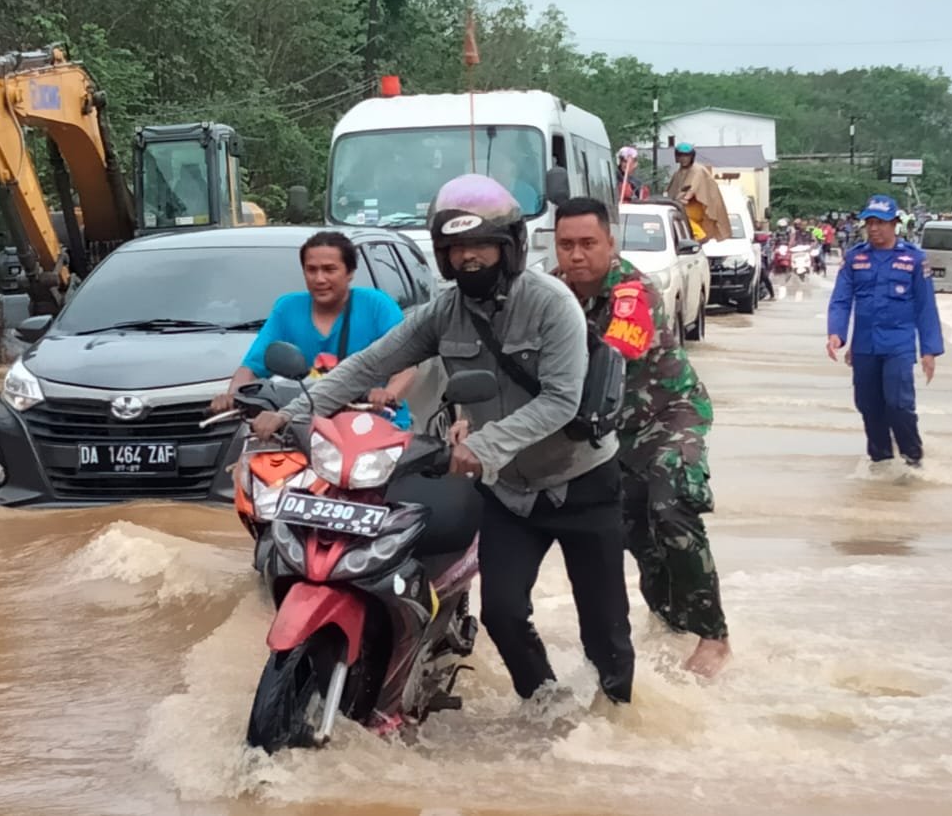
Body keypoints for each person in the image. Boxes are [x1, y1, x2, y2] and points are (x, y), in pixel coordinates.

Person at [251, 175, 635, 704]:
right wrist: (292, 413)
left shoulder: (552, 304)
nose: (468, 258)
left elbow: (560, 399)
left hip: (581, 480)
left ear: (510, 247)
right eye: (456, 249)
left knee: (605, 625)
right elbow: (369, 364)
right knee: (503, 613)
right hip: (508, 491)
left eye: (481, 245)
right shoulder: (443, 312)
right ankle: (547, 707)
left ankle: (615, 720)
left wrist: (480, 447)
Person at [552, 197, 733, 677]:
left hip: (669, 414)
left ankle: (714, 636)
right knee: (637, 537)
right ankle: (671, 625)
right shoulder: (551, 292)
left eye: (588, 243)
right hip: (609, 433)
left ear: (610, 244)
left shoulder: (632, 291)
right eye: (566, 245)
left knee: (670, 504)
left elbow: (616, 351)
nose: (576, 255)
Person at [211, 231, 415, 427]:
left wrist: (388, 394)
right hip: (303, 426)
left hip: (373, 424)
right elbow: (251, 368)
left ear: (350, 273)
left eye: (329, 270)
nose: (319, 279)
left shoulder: (376, 305)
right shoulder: (288, 308)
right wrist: (232, 396)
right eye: (311, 270)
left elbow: (406, 365)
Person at [827, 195, 944, 468]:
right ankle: (880, 462)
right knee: (868, 405)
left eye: (880, 222)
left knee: (898, 404)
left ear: (894, 224)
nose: (874, 228)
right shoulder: (855, 258)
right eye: (869, 223)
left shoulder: (914, 259)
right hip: (864, 346)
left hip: (898, 345)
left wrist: (929, 351)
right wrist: (836, 334)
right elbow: (841, 299)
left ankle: (913, 459)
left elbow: (926, 308)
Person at [665, 143, 731, 243]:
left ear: (692, 157)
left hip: (697, 207)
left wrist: (685, 198)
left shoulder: (697, 170)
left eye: (687, 156)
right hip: (684, 206)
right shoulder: (678, 173)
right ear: (677, 157)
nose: (684, 158)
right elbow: (672, 192)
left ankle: (700, 237)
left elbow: (692, 188)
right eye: (681, 155)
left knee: (680, 215)